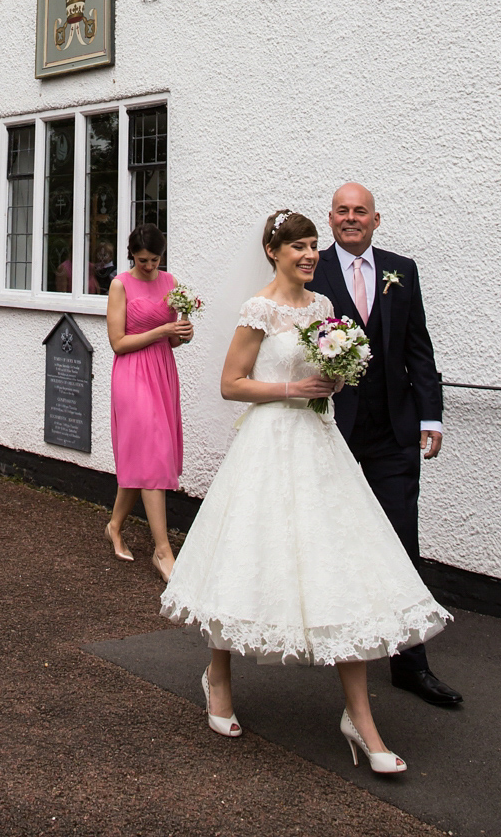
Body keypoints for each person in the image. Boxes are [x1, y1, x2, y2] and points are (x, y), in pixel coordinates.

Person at [160, 209, 448, 776]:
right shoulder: (258, 309)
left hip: (321, 444)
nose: (310, 254)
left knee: (343, 570)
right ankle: (218, 676)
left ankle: (360, 721)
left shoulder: (323, 309)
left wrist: (337, 374)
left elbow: (332, 374)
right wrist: (294, 388)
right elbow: (230, 384)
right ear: (274, 252)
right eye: (298, 246)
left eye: (314, 244)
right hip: (269, 444)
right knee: (244, 559)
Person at [312, 181, 461, 708]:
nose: (351, 218)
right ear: (330, 219)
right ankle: (328, 646)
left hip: (393, 432)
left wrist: (431, 417)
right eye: (342, 211)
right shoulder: (313, 270)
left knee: (401, 544)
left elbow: (419, 348)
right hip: (332, 431)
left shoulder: (404, 270)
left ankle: (410, 664)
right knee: (328, 540)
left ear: (377, 220)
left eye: (361, 212)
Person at [104, 224, 194, 581]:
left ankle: (113, 525)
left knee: (144, 453)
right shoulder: (119, 285)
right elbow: (118, 342)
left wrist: (183, 333)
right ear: (132, 256)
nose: (149, 266)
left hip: (161, 371)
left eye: (155, 260)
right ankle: (162, 550)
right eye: (143, 260)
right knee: (153, 450)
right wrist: (162, 332)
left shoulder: (171, 282)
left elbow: (173, 341)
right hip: (131, 373)